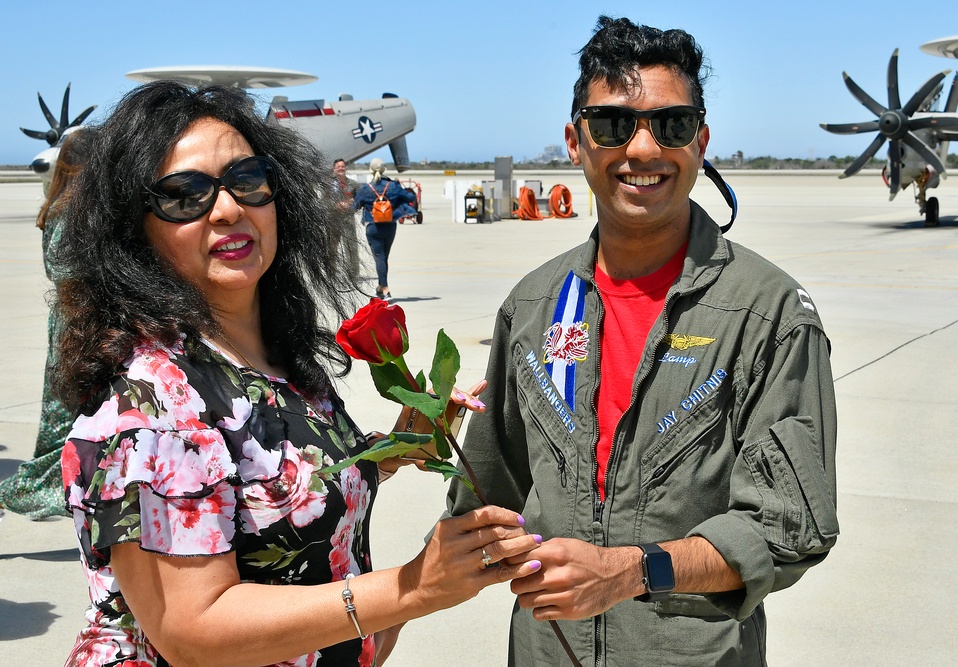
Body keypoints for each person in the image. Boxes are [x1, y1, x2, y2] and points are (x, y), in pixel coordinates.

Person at [54, 81, 541, 667]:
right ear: (134, 230)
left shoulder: (274, 363)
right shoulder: (152, 405)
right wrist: (415, 586)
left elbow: (276, 484)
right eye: (185, 196)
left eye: (247, 181)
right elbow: (192, 630)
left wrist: (397, 446)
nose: (229, 209)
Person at [445, 16, 838, 666]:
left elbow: (789, 524)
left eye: (673, 125)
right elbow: (482, 506)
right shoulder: (535, 306)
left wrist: (633, 570)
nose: (645, 149)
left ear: (702, 140)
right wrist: (423, 441)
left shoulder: (770, 313)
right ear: (576, 141)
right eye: (613, 125)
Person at [0, 126, 95, 521]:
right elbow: (62, 267)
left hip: (73, 320)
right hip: (78, 323)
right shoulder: (69, 212)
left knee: (73, 411)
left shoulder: (63, 205)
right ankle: (19, 491)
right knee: (71, 414)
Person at [353, 158, 416, 302]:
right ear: (383, 170)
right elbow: (409, 197)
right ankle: (381, 289)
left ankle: (385, 289)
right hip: (390, 226)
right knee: (384, 257)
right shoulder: (393, 186)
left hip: (373, 227)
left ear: (370, 170)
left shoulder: (366, 188)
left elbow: (354, 207)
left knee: (379, 258)